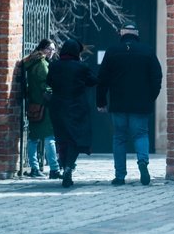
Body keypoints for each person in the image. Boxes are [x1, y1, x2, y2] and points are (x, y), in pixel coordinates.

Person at [96, 22, 162, 186]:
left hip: (118, 103)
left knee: (119, 138)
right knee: (141, 135)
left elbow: (102, 78)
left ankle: (120, 176)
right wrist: (151, 97)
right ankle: (142, 162)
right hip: (141, 104)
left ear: (122, 34)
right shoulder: (147, 51)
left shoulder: (112, 51)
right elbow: (156, 77)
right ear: (136, 35)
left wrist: (101, 101)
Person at [47, 38, 98, 188]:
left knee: (62, 138)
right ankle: (69, 166)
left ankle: (64, 165)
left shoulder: (54, 66)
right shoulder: (81, 67)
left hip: (58, 107)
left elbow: (49, 81)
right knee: (75, 139)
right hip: (77, 108)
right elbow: (94, 80)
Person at [22, 38, 62, 179]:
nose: (52, 51)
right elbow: (46, 84)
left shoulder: (31, 62)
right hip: (44, 106)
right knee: (49, 138)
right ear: (42, 49)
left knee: (33, 138)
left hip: (34, 105)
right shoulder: (42, 64)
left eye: (53, 49)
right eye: (49, 49)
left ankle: (34, 168)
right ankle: (54, 169)